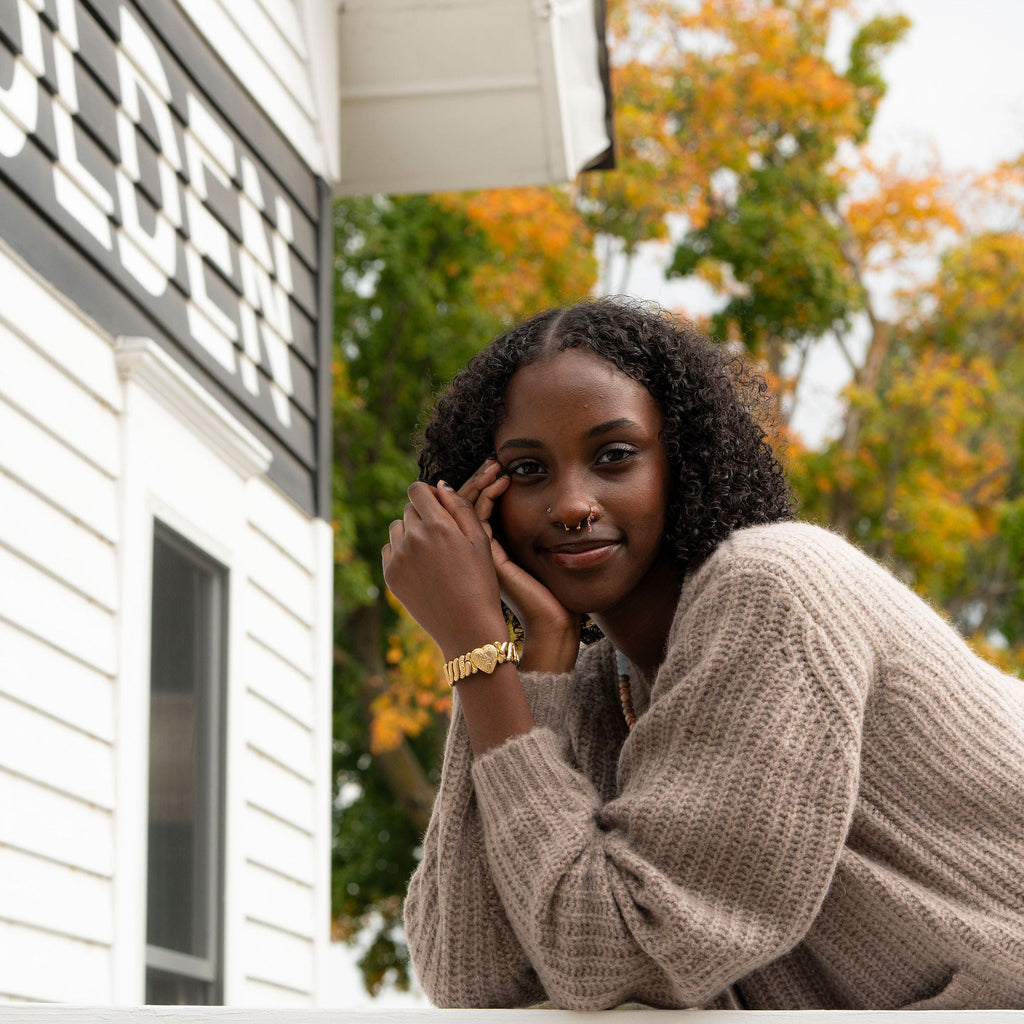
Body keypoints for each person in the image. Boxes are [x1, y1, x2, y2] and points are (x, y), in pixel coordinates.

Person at [381, 298, 1024, 1011]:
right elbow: (472, 976)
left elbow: (618, 959)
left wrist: (475, 651)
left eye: (614, 456)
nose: (571, 503)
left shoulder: (772, 592)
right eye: (527, 471)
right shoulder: (599, 685)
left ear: (683, 459)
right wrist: (519, 667)